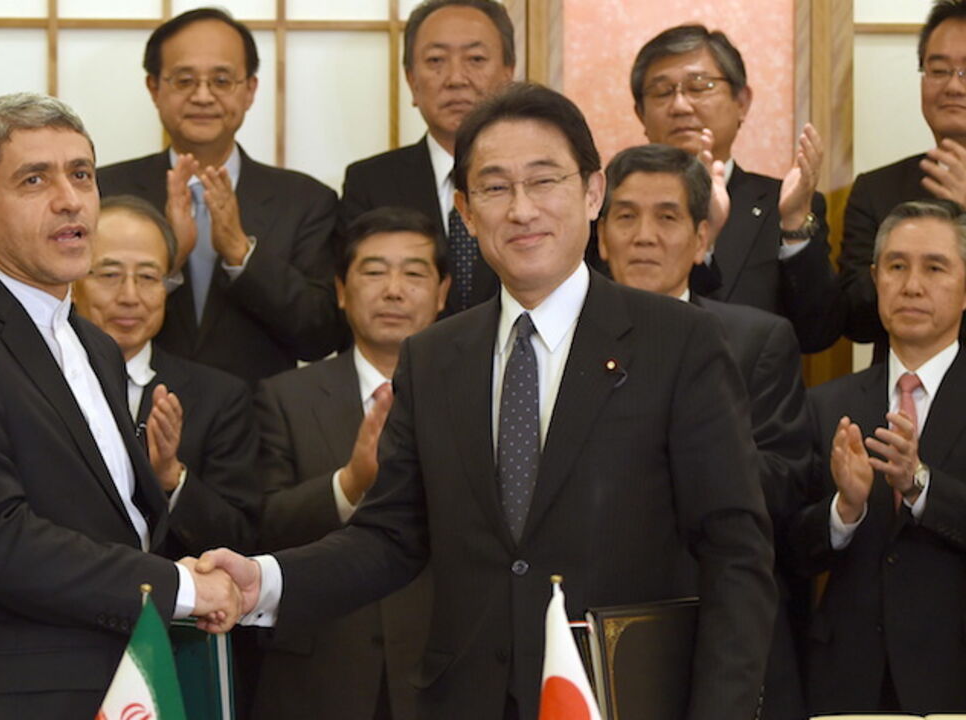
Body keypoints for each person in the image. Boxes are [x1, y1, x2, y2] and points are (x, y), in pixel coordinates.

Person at [197, 83, 776, 720]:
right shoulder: (436, 356)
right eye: (496, 188)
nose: (522, 209)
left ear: (591, 192)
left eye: (544, 180)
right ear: (467, 214)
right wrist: (267, 580)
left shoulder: (679, 341)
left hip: (623, 696)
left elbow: (735, 553)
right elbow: (390, 536)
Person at [0, 93, 240, 719]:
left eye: (81, 174)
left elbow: (109, 524)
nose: (70, 198)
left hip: (125, 685)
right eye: (34, 179)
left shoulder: (94, 344)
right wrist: (177, 588)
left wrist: (170, 567)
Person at [596, 143, 811, 720]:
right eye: (625, 216)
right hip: (591, 620)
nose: (644, 235)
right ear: (599, 238)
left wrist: (666, 463)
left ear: (700, 241)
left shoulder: (756, 341)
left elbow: (785, 481)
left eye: (667, 217)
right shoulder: (564, 345)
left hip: (714, 619)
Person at [254, 206, 448, 720]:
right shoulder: (283, 397)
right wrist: (348, 484)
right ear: (340, 290)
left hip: (439, 670)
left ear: (443, 293)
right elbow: (261, 525)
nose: (393, 290)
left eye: (413, 273)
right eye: (374, 271)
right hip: (319, 674)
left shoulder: (475, 395)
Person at [96, 8, 340, 386]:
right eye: (184, 80)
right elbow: (73, 315)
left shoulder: (306, 200)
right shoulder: (105, 191)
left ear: (250, 90)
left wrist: (242, 254)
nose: (203, 96)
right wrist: (168, 258)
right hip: (126, 413)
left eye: (221, 80)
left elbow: (320, 336)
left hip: (260, 425)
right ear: (154, 88)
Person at [794, 199, 966, 714]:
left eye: (935, 268)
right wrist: (842, 512)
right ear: (874, 279)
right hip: (846, 681)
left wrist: (920, 485)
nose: (912, 285)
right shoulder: (827, 403)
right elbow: (786, 546)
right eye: (896, 267)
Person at [630, 24, 842, 353]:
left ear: (741, 102)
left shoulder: (783, 205)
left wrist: (796, 224)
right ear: (640, 114)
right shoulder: (611, 213)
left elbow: (817, 334)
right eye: (662, 92)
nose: (680, 105)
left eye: (699, 87)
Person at [74, 194, 258, 557]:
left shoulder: (219, 397)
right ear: (71, 279)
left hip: (170, 606)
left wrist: (172, 478)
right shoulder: (31, 379)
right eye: (109, 275)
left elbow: (241, 539)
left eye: (148, 277)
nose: (130, 296)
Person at [339, 0, 514, 316]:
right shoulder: (369, 183)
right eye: (436, 60)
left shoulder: (542, 183)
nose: (456, 78)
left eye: (476, 59)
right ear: (411, 81)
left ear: (507, 74)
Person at [841, 0, 966, 358]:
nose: (953, 87)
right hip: (901, 400)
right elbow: (856, 320)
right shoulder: (876, 190)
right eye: (939, 70)